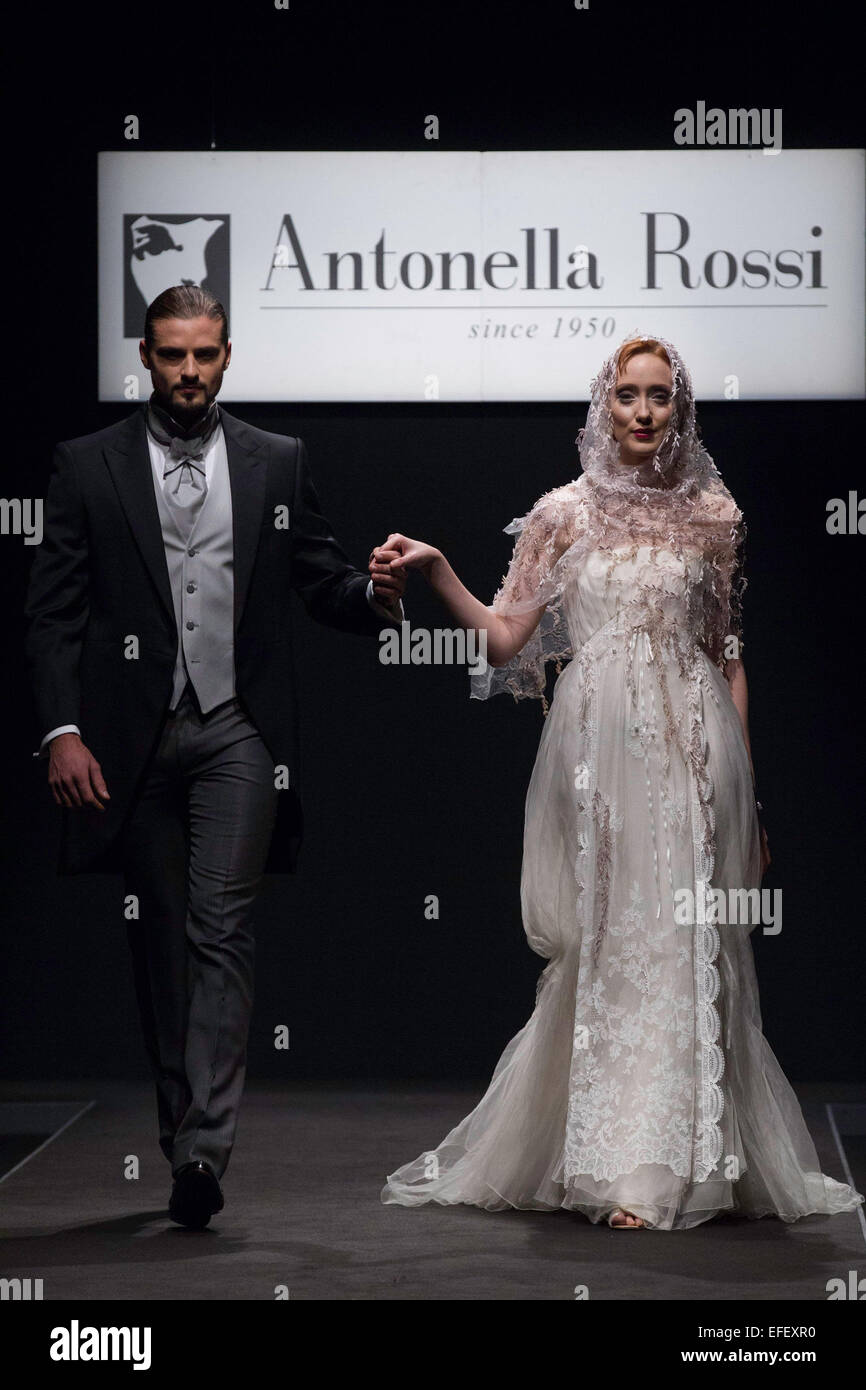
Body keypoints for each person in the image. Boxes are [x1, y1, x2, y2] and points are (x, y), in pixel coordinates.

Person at [372, 334, 864, 1231]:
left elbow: (727, 655)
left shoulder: (713, 514)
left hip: (694, 749)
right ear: (604, 404)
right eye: (628, 394)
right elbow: (504, 641)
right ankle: (617, 1161)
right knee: (614, 939)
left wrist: (747, 795)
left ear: (680, 408)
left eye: (660, 395)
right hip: (596, 752)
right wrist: (438, 569)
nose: (643, 411)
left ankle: (670, 1164)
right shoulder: (563, 512)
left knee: (684, 942)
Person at [25, 284, 406, 1228]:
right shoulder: (87, 464)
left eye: (204, 354)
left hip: (238, 730)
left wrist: (374, 596)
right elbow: (53, 613)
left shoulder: (277, 459)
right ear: (146, 359)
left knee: (220, 927)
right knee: (160, 945)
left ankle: (203, 1148)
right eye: (171, 355)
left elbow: (319, 579)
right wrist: (62, 731)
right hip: (131, 739)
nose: (188, 371)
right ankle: (181, 1137)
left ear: (228, 355)